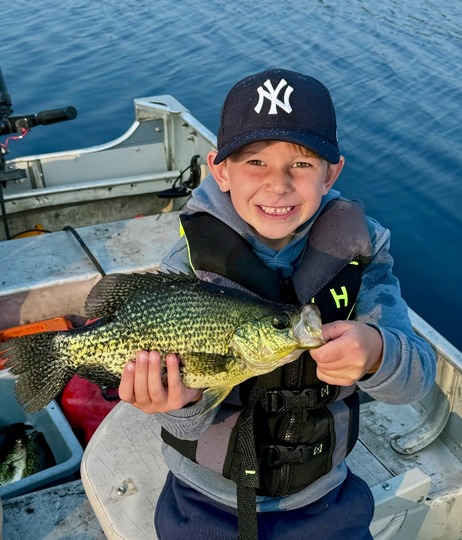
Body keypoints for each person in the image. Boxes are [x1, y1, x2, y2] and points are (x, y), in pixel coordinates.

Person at [118, 68, 436, 540]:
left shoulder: (361, 254)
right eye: (255, 163)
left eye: (302, 164)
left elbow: (417, 379)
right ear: (220, 170)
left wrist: (376, 353)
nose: (278, 185)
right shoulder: (186, 265)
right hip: (203, 502)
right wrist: (175, 404)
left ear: (333, 173)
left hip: (325, 501)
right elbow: (184, 424)